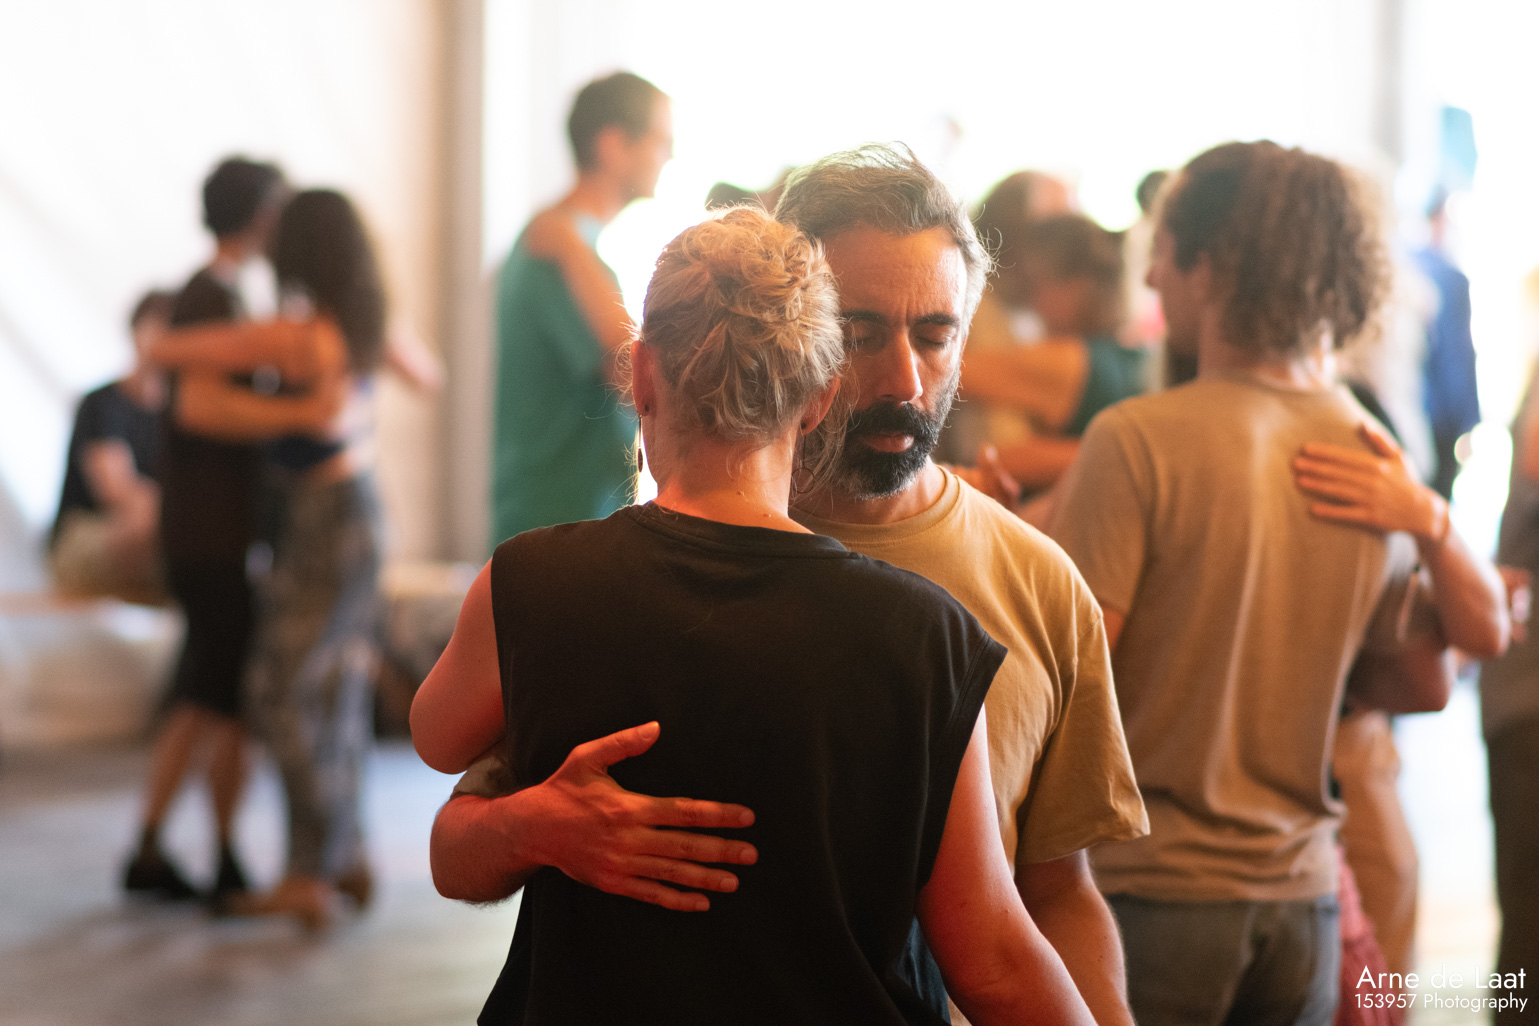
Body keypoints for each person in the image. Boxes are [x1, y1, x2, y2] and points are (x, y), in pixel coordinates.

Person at [431, 146, 1147, 1026]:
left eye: (934, 335)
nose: (904, 380)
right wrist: (530, 829)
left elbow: (1054, 897)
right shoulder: (621, 579)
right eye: (860, 332)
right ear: (796, 345)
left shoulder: (1037, 588)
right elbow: (459, 845)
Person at [1047, 140, 1478, 1026]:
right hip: (1302, 901)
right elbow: (1423, 683)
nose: (1151, 277)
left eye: (1164, 252)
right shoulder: (1369, 448)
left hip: (1152, 891)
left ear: (1210, 266)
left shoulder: (1136, 440)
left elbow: (1069, 681)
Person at [148, 188, 394, 928]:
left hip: (322, 517)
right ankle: (344, 854)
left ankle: (308, 873)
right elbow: (427, 372)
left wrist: (296, 410)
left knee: (282, 692)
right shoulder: (361, 319)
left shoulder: (298, 333)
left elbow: (167, 354)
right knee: (333, 689)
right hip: (357, 511)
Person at [122, 157, 287, 902]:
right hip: (212, 535)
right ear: (258, 213)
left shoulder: (220, 293)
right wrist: (298, 413)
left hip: (210, 532)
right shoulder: (210, 296)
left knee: (211, 692)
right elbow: (199, 408)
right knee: (216, 694)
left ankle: (183, 847)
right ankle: (195, 850)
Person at [489, 71, 672, 546]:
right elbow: (635, 379)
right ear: (613, 145)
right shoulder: (556, 247)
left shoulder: (572, 245)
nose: (669, 155)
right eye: (660, 141)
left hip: (566, 522)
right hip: (553, 528)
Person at [958, 213, 1148, 495]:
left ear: (1077, 287)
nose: (1032, 300)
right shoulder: (1131, 354)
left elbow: (951, 370)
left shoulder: (1072, 360)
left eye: (1038, 283)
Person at [50, 289, 174, 606]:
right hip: (85, 533)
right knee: (148, 528)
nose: (163, 339)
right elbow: (115, 490)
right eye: (156, 326)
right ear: (135, 330)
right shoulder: (103, 403)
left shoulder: (173, 417)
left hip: (150, 536)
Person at [1414, 190, 1479, 500]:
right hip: (1439, 417)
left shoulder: (1404, 264)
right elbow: (1458, 357)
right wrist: (1467, 424)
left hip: (1402, 410)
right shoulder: (1452, 280)